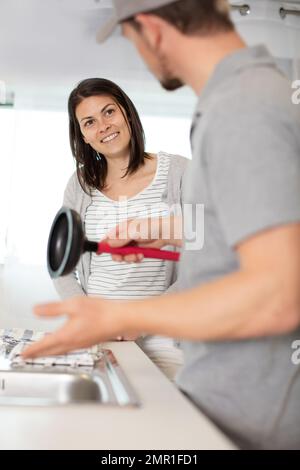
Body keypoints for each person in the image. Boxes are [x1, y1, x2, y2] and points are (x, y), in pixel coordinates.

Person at [24, 0, 300, 450]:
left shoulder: (242, 110)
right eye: (88, 122)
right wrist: (169, 227)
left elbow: (279, 292)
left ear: (151, 30)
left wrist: (125, 314)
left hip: (252, 417)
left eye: (130, 41)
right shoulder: (234, 102)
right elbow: (237, 233)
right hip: (226, 395)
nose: (102, 126)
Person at [50, 77, 188, 380]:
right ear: (83, 136)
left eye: (109, 112)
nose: (103, 126)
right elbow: (61, 263)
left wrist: (140, 321)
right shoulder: (80, 184)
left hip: (164, 338)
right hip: (99, 337)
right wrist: (90, 317)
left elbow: (205, 258)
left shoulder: (180, 172)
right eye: (89, 122)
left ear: (127, 112)